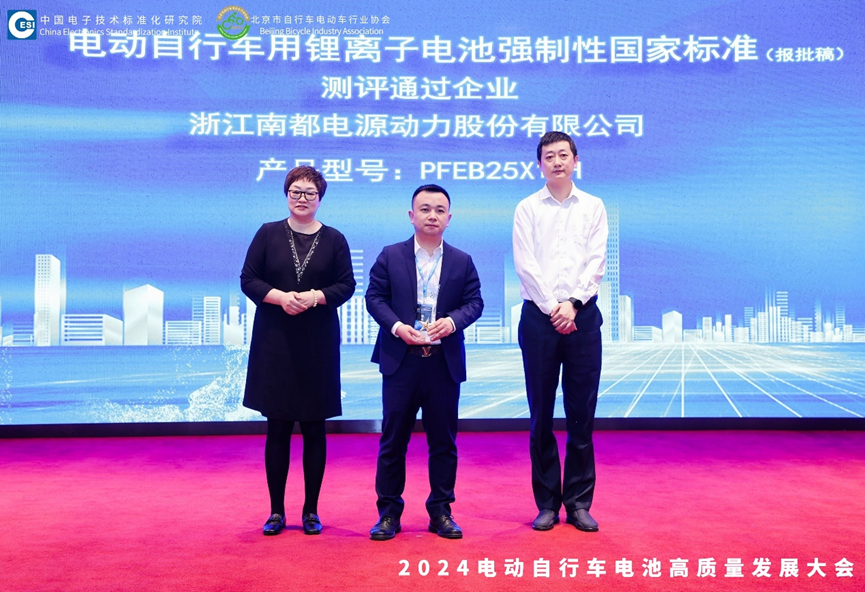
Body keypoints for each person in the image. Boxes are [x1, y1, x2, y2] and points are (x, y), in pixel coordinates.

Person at [240, 166, 356, 536]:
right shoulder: (268, 233)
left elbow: (347, 285)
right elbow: (248, 279)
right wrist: (280, 298)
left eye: (309, 192)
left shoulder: (335, 239)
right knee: (277, 426)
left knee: (314, 427)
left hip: (317, 342)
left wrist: (316, 297)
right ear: (286, 194)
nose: (302, 198)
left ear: (320, 198)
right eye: (295, 191)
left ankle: (310, 511)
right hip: (275, 340)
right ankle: (276, 511)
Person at [366, 184, 483, 541]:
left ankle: (441, 511)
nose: (432, 216)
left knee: (443, 443)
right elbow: (374, 297)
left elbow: (475, 303)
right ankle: (388, 514)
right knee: (393, 441)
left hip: (442, 362)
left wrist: (453, 322)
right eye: (425, 209)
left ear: (449, 218)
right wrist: (398, 327)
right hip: (402, 360)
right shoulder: (391, 255)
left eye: (439, 210)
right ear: (411, 215)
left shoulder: (462, 260)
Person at [513, 131, 607, 533]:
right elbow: (525, 264)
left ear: (575, 160)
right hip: (540, 319)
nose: (556, 162)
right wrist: (554, 306)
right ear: (539, 165)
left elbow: (597, 260)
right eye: (549, 156)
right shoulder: (527, 208)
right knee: (541, 415)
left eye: (563, 155)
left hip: (582, 317)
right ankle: (547, 503)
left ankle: (579, 503)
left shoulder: (594, 206)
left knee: (581, 414)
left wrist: (573, 304)